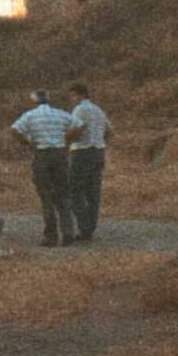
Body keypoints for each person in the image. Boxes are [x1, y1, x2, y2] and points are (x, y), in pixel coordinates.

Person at [10, 89, 75, 246]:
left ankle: (50, 236)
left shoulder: (30, 115)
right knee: (63, 194)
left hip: (42, 154)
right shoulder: (60, 113)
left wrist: (28, 143)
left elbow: (14, 130)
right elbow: (79, 125)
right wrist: (66, 141)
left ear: (34, 101)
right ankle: (68, 232)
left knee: (46, 196)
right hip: (59, 154)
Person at [65, 81, 112, 242]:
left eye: (72, 95)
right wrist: (100, 141)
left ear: (79, 94)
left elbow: (77, 129)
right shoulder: (99, 110)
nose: (71, 99)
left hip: (82, 151)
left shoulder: (80, 109)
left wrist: (65, 142)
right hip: (99, 151)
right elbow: (110, 130)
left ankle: (84, 227)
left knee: (75, 190)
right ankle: (90, 227)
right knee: (93, 192)